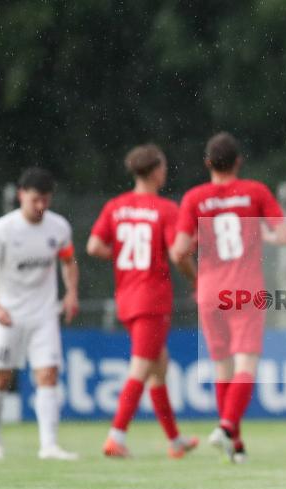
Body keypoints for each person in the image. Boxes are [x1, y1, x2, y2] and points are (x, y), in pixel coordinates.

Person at [171, 132, 286, 463]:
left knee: (222, 368)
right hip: (245, 289)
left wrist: (196, 278)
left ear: (208, 163)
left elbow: (179, 250)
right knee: (246, 365)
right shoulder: (255, 192)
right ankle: (227, 427)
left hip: (210, 291)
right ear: (238, 161)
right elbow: (285, 236)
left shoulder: (195, 197)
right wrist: (265, 235)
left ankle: (235, 446)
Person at [87, 144, 199, 459]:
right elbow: (178, 253)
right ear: (154, 171)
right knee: (141, 367)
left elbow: (94, 245)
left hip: (126, 296)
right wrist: (195, 278)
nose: (165, 171)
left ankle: (175, 442)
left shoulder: (116, 206)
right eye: (163, 166)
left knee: (158, 366)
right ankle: (116, 435)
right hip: (152, 298)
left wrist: (123, 258)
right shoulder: (164, 209)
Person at [0, 167, 80, 460]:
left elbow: (69, 261)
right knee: (1, 378)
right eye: (35, 199)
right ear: (21, 195)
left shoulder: (58, 227)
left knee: (48, 374)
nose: (41, 206)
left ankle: (49, 446)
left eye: (46, 199)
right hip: (8, 315)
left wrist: (71, 293)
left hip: (44, 314)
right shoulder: (2, 230)